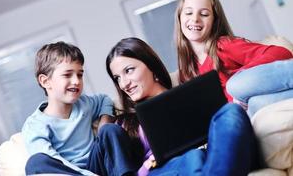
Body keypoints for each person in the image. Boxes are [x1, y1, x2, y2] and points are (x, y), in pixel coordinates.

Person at [106, 37, 260, 176]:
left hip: (210, 154)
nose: (124, 84)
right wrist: (148, 164)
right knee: (193, 157)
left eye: (129, 71)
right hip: (165, 170)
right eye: (117, 78)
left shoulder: (191, 95)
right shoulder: (123, 124)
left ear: (151, 65)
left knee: (231, 111)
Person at [174, 0, 293, 117]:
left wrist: (241, 74)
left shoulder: (223, 45)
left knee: (233, 85)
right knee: (255, 105)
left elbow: (282, 53)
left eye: (204, 14)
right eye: (189, 12)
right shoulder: (187, 72)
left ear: (214, 21)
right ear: (179, 17)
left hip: (243, 90)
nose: (195, 18)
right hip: (244, 112)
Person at [22, 41, 137, 176]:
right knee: (36, 162)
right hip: (70, 172)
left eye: (80, 74)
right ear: (45, 81)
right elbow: (53, 161)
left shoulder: (84, 104)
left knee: (109, 129)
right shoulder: (35, 125)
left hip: (98, 164)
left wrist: (104, 124)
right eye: (67, 74)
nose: (76, 81)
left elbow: (104, 100)